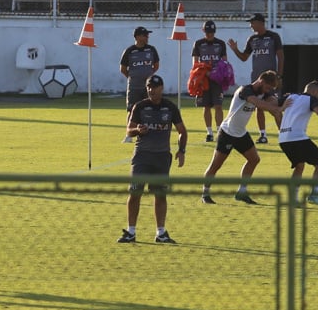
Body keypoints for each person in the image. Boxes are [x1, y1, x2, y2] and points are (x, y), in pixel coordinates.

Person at [117, 75, 187, 244]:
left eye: (154, 87)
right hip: (142, 156)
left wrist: (181, 150)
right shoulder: (140, 107)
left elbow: (182, 131)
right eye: (149, 87)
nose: (151, 90)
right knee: (135, 192)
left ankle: (161, 232)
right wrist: (137, 130)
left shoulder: (170, 108)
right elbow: (128, 130)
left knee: (160, 194)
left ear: (161, 88)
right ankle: (131, 232)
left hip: (162, 157)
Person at [201, 70, 282, 205]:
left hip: (241, 133)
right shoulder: (245, 90)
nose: (268, 91)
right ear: (261, 81)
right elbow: (258, 104)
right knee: (216, 165)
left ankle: (242, 192)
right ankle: (205, 193)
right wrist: (275, 108)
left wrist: (282, 106)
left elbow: (274, 103)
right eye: (268, 87)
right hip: (227, 132)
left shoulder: (263, 92)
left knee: (254, 159)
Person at [228, 13, 284, 144]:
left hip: (271, 81)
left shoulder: (273, 37)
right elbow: (244, 57)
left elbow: (281, 56)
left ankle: (283, 134)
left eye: (252, 22)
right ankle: (263, 135)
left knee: (274, 105)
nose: (251, 25)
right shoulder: (252, 39)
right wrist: (235, 49)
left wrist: (279, 76)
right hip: (257, 80)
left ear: (260, 23)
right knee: (258, 107)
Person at [119, 26, 160, 144]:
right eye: (145, 35)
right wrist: (133, 77)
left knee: (149, 110)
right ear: (137, 37)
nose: (147, 37)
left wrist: (148, 78)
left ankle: (150, 134)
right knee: (131, 110)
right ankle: (129, 135)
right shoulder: (129, 51)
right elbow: (123, 68)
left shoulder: (151, 50)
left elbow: (156, 66)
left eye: (147, 35)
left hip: (148, 88)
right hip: (134, 87)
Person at [191, 20, 228, 142]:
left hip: (217, 79)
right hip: (204, 78)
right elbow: (195, 63)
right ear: (203, 31)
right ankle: (209, 132)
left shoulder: (221, 44)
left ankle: (219, 131)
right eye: (207, 32)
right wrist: (202, 74)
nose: (210, 35)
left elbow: (224, 61)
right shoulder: (198, 43)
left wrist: (221, 74)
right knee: (206, 106)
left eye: (212, 32)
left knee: (218, 105)